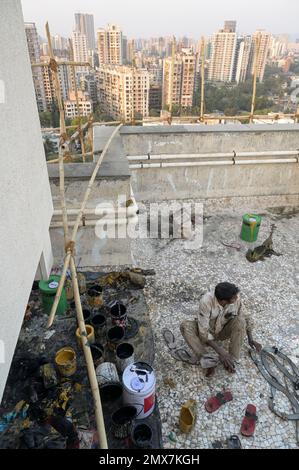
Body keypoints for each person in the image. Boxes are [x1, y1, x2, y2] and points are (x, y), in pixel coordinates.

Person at [180, 282, 262, 377]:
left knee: (240, 321)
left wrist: (250, 339)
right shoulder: (206, 302)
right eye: (234, 298)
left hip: (223, 330)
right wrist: (220, 351)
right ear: (223, 301)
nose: (237, 298)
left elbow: (246, 317)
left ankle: (231, 360)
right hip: (208, 331)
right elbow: (203, 330)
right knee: (185, 326)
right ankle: (208, 361)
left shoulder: (236, 298)